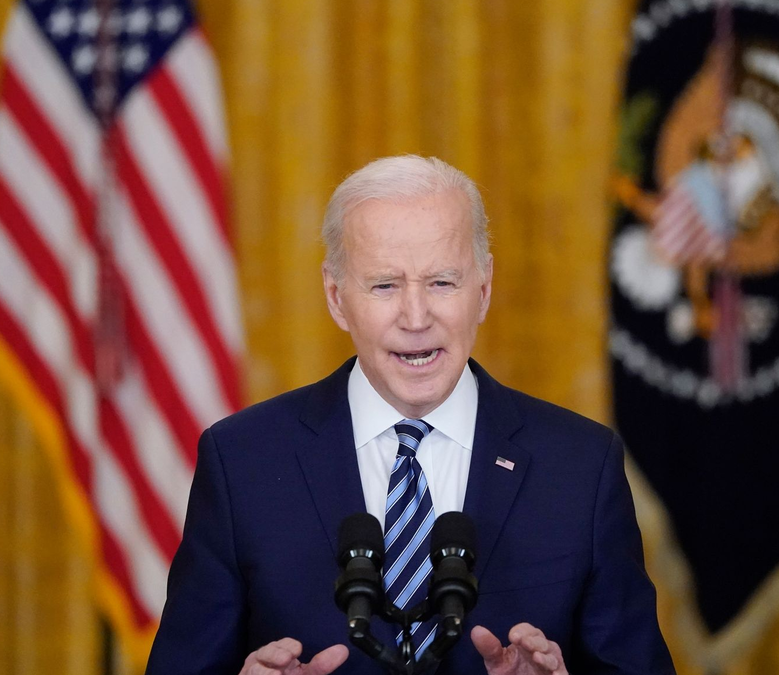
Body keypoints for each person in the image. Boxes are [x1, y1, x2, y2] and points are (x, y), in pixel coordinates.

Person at [145, 156, 675, 675]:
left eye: (442, 282)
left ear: (483, 290)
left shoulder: (581, 466)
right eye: (385, 285)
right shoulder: (243, 463)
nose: (416, 318)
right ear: (336, 297)